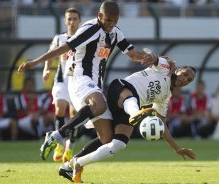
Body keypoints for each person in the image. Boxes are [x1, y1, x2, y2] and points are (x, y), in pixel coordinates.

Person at [17, 0, 158, 161]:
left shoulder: (115, 33)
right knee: (99, 105)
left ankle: (72, 164)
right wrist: (35, 62)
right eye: (108, 20)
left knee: (107, 137)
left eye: (115, 21)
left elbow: (133, 55)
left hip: (94, 84)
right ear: (100, 16)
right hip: (80, 78)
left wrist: (154, 59)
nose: (111, 24)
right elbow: (64, 47)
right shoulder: (91, 29)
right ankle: (56, 136)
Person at [60, 56, 197, 183]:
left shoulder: (165, 97)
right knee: (132, 99)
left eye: (189, 80)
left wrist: (176, 148)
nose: (185, 79)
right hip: (120, 88)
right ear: (178, 70)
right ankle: (136, 113)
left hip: (129, 107)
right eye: (185, 74)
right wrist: (152, 56)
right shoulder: (166, 67)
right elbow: (151, 57)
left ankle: (75, 163)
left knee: (118, 143)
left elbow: (161, 124)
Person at [42, 7, 81, 163]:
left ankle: (70, 146)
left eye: (74, 19)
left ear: (80, 21)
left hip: (77, 81)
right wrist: (46, 69)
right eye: (69, 19)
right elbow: (50, 55)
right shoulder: (59, 39)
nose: (71, 22)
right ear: (65, 21)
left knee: (74, 115)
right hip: (61, 80)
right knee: (59, 107)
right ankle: (59, 142)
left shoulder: (84, 38)